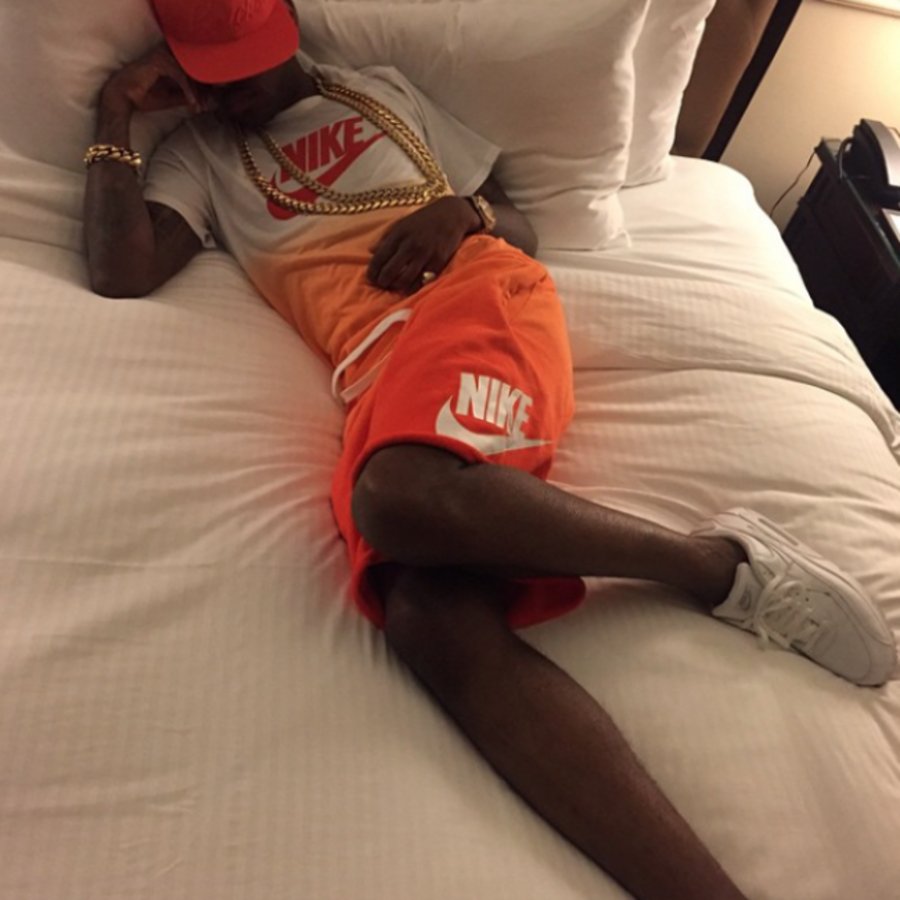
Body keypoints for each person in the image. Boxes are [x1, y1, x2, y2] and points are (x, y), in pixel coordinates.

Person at [83, 1, 896, 897]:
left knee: (393, 498)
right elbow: (120, 272)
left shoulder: (378, 93)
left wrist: (462, 213)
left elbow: (523, 227)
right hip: (376, 374)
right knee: (426, 618)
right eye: (210, 73)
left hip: (476, 302)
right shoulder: (197, 157)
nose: (230, 90)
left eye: (247, 63)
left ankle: (717, 567)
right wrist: (115, 114)